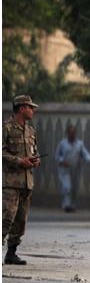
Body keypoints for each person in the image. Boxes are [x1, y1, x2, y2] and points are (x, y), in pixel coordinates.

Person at [2, 95, 41, 265]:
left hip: (27, 182)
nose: (33, 110)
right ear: (21, 108)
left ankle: (11, 253)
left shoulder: (31, 131)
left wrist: (35, 160)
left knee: (20, 220)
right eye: (30, 107)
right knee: (7, 216)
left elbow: (35, 151)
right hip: (10, 182)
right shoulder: (6, 128)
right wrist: (19, 161)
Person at [55, 124, 90, 213]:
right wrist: (62, 161)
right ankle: (66, 205)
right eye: (70, 132)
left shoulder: (79, 144)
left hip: (76, 169)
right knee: (67, 187)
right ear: (67, 133)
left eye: (73, 132)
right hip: (65, 169)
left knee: (74, 188)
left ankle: (72, 205)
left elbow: (85, 153)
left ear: (75, 133)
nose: (72, 134)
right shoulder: (62, 144)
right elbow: (57, 155)